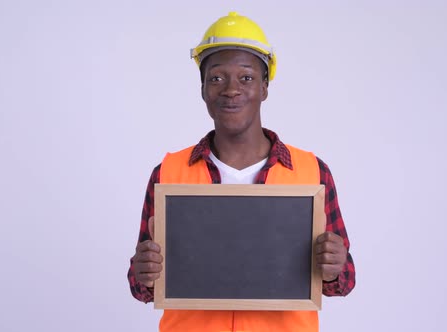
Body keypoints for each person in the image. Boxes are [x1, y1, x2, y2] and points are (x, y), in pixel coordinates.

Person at [128, 12, 355, 332]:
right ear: (203, 89)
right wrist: (143, 273)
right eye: (217, 77)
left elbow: (342, 282)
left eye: (246, 77)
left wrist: (334, 267)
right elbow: (142, 286)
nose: (231, 89)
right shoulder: (168, 173)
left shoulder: (312, 173)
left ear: (265, 86)